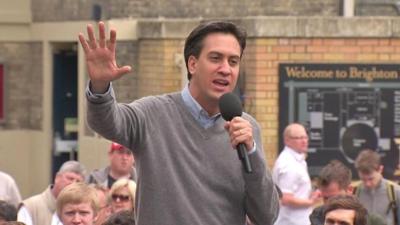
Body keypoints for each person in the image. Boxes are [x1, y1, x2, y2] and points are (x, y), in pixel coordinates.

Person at [79, 20, 279, 225]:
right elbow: (106, 122)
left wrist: (252, 153)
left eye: (233, 61)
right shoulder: (152, 114)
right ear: (192, 64)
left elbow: (266, 216)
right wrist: (100, 85)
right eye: (216, 58)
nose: (225, 69)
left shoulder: (246, 129)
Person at [310, 160, 386, 225]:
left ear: (349, 190)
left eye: (334, 198)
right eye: (325, 198)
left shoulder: (372, 221)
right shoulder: (316, 216)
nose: (328, 203)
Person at [272, 123, 321, 225]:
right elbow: (285, 198)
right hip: (290, 222)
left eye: (305, 137)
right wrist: (311, 202)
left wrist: (310, 195)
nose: (304, 141)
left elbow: (295, 193)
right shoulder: (288, 164)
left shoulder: (297, 160)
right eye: (299, 138)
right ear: (287, 140)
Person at [17, 161, 86, 225]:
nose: (73, 184)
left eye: (78, 182)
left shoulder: (85, 210)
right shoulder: (31, 207)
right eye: (70, 178)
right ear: (57, 177)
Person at [354, 149, 400, 225]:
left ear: (380, 169)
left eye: (371, 179)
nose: (367, 184)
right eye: (363, 179)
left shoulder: (396, 192)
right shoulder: (353, 192)